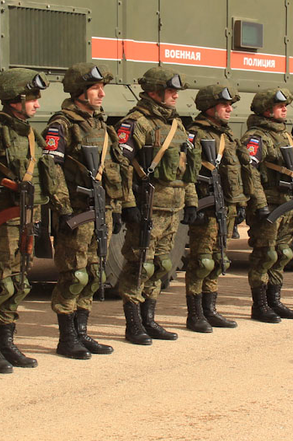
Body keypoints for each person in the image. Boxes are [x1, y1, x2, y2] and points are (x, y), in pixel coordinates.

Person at [0, 68, 70, 371]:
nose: (37, 104)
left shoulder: (28, 131)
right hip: (2, 221)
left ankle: (7, 342)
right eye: (32, 98)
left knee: (19, 283)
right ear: (15, 98)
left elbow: (48, 173)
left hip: (27, 219)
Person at [44, 63, 131, 358]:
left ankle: (82, 332)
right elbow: (51, 169)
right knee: (74, 275)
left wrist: (118, 206)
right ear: (79, 92)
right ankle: (67, 337)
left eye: (101, 88)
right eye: (95, 88)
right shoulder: (62, 124)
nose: (101, 94)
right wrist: (64, 208)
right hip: (78, 213)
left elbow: (118, 169)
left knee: (93, 274)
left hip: (102, 211)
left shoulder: (102, 127)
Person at [116, 67, 198, 344]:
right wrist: (128, 204)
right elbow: (122, 167)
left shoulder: (177, 124)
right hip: (148, 207)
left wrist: (191, 201)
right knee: (140, 266)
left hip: (173, 208)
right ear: (153, 92)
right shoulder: (136, 123)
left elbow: (187, 169)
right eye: (170, 90)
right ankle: (133, 323)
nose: (175, 96)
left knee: (161, 264)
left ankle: (149, 319)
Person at [241, 88, 293, 322]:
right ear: (267, 110)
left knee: (282, 253)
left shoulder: (287, 136)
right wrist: (260, 205)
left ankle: (275, 300)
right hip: (270, 207)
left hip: (288, 204)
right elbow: (250, 173)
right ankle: (260, 304)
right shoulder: (257, 137)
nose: (284, 110)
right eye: (280, 107)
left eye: (285, 106)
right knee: (265, 255)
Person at [183, 84, 246, 332]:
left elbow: (238, 173)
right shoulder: (195, 134)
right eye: (224, 105)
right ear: (210, 107)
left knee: (218, 259)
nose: (229, 109)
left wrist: (240, 203)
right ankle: (195, 314)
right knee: (202, 262)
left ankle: (210, 310)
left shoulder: (228, 136)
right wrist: (191, 203)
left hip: (225, 209)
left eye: (230, 105)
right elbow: (187, 173)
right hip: (206, 209)